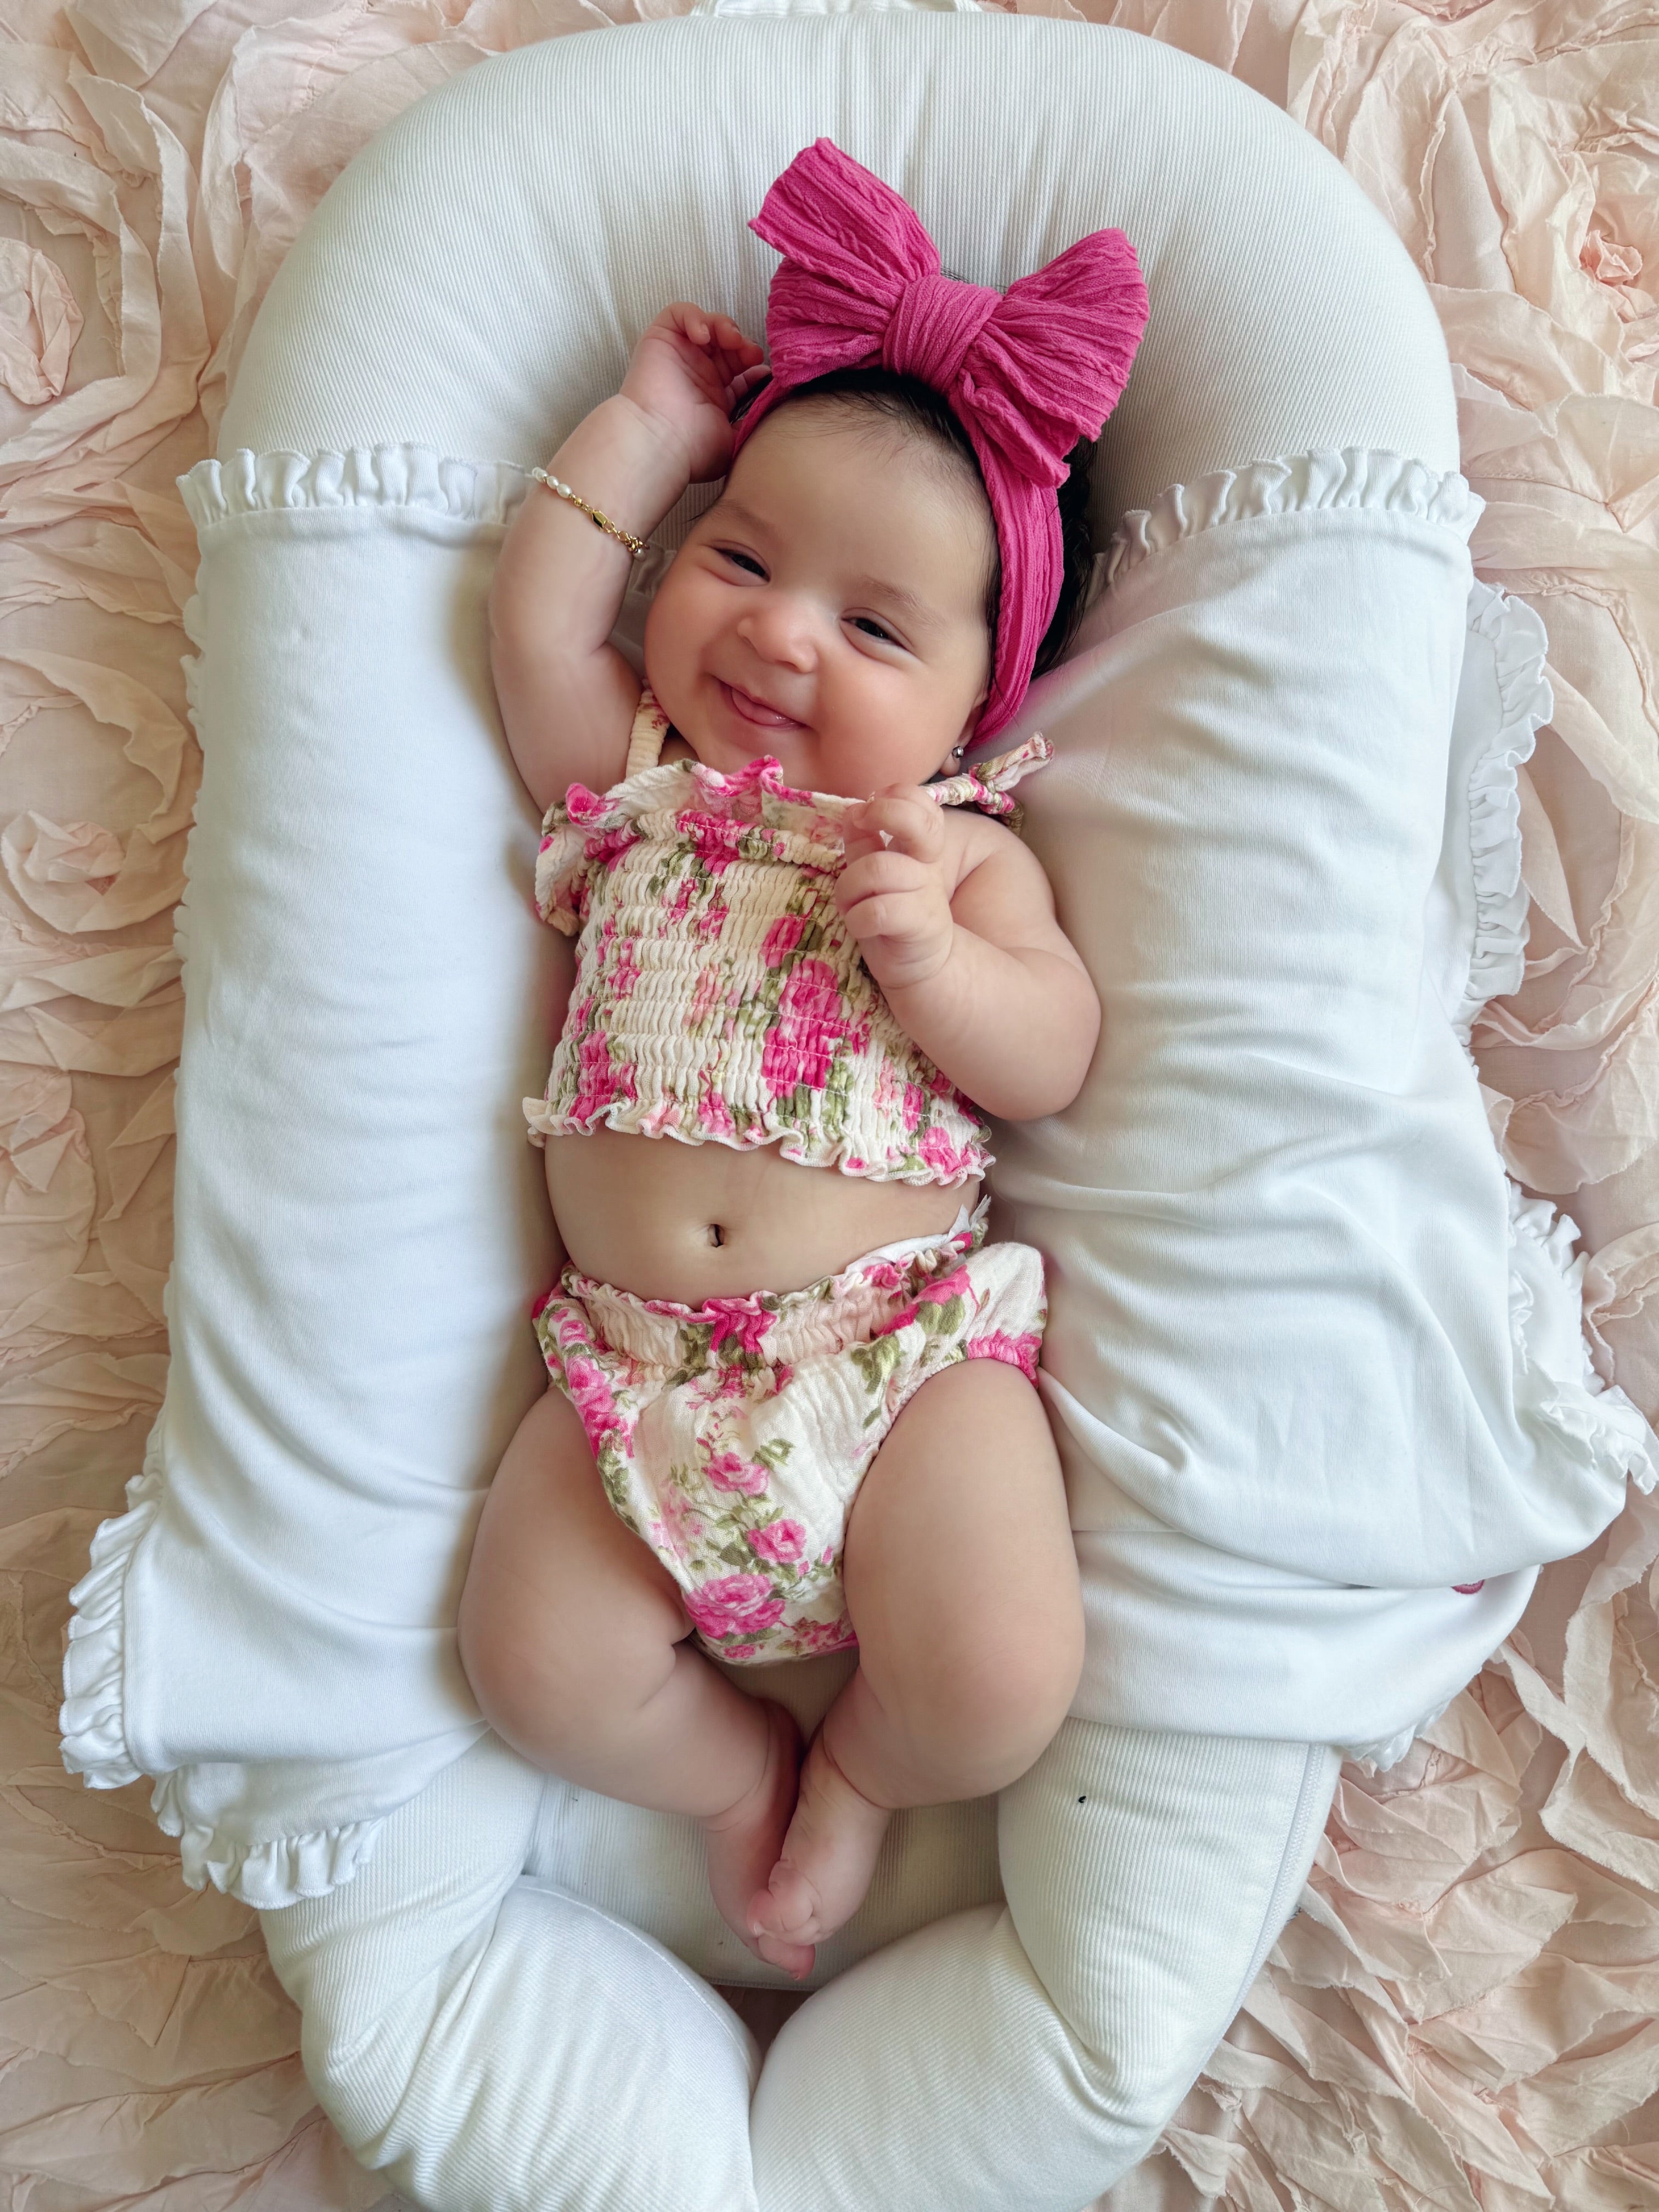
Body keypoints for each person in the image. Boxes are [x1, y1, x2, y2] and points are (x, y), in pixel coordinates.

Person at [458, 137, 1148, 1978]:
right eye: (738, 557)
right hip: (632, 1377)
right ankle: (721, 1773)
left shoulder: (955, 845)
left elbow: (1054, 1054)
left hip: (900, 1361)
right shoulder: (635, 784)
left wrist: (936, 962)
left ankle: (864, 1770)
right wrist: (644, 427)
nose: (771, 629)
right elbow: (536, 611)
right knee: (530, 1664)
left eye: (868, 625)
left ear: (970, 701)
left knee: (999, 1677)